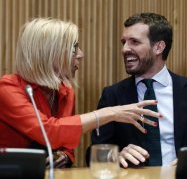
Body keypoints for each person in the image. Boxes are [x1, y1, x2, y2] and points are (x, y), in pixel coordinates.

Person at [0, 18, 161, 168]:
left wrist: (64, 156)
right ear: (49, 53)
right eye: (74, 48)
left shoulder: (66, 93)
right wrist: (110, 112)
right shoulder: (7, 88)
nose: (81, 55)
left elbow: (66, 145)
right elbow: (49, 132)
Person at [87, 12, 187, 168]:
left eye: (134, 42)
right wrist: (116, 155)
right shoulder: (112, 95)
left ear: (158, 47)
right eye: (124, 42)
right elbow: (93, 153)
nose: (125, 49)